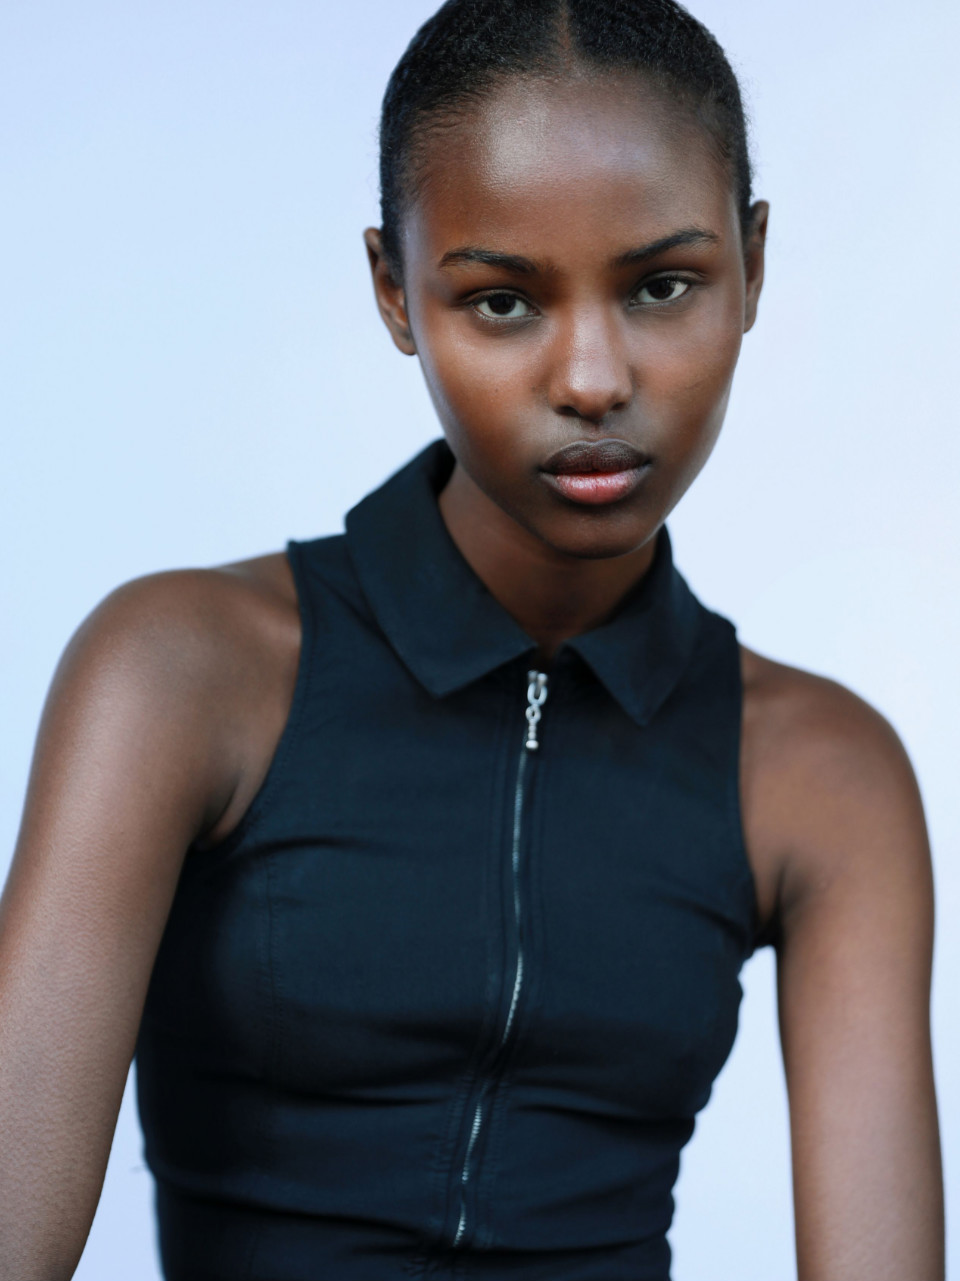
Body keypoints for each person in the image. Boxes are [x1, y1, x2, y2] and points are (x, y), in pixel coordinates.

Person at [0, 0, 944, 1277]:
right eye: (503, 302)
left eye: (662, 286)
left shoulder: (825, 777)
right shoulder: (178, 674)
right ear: (396, 290)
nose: (594, 379)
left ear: (754, 265)